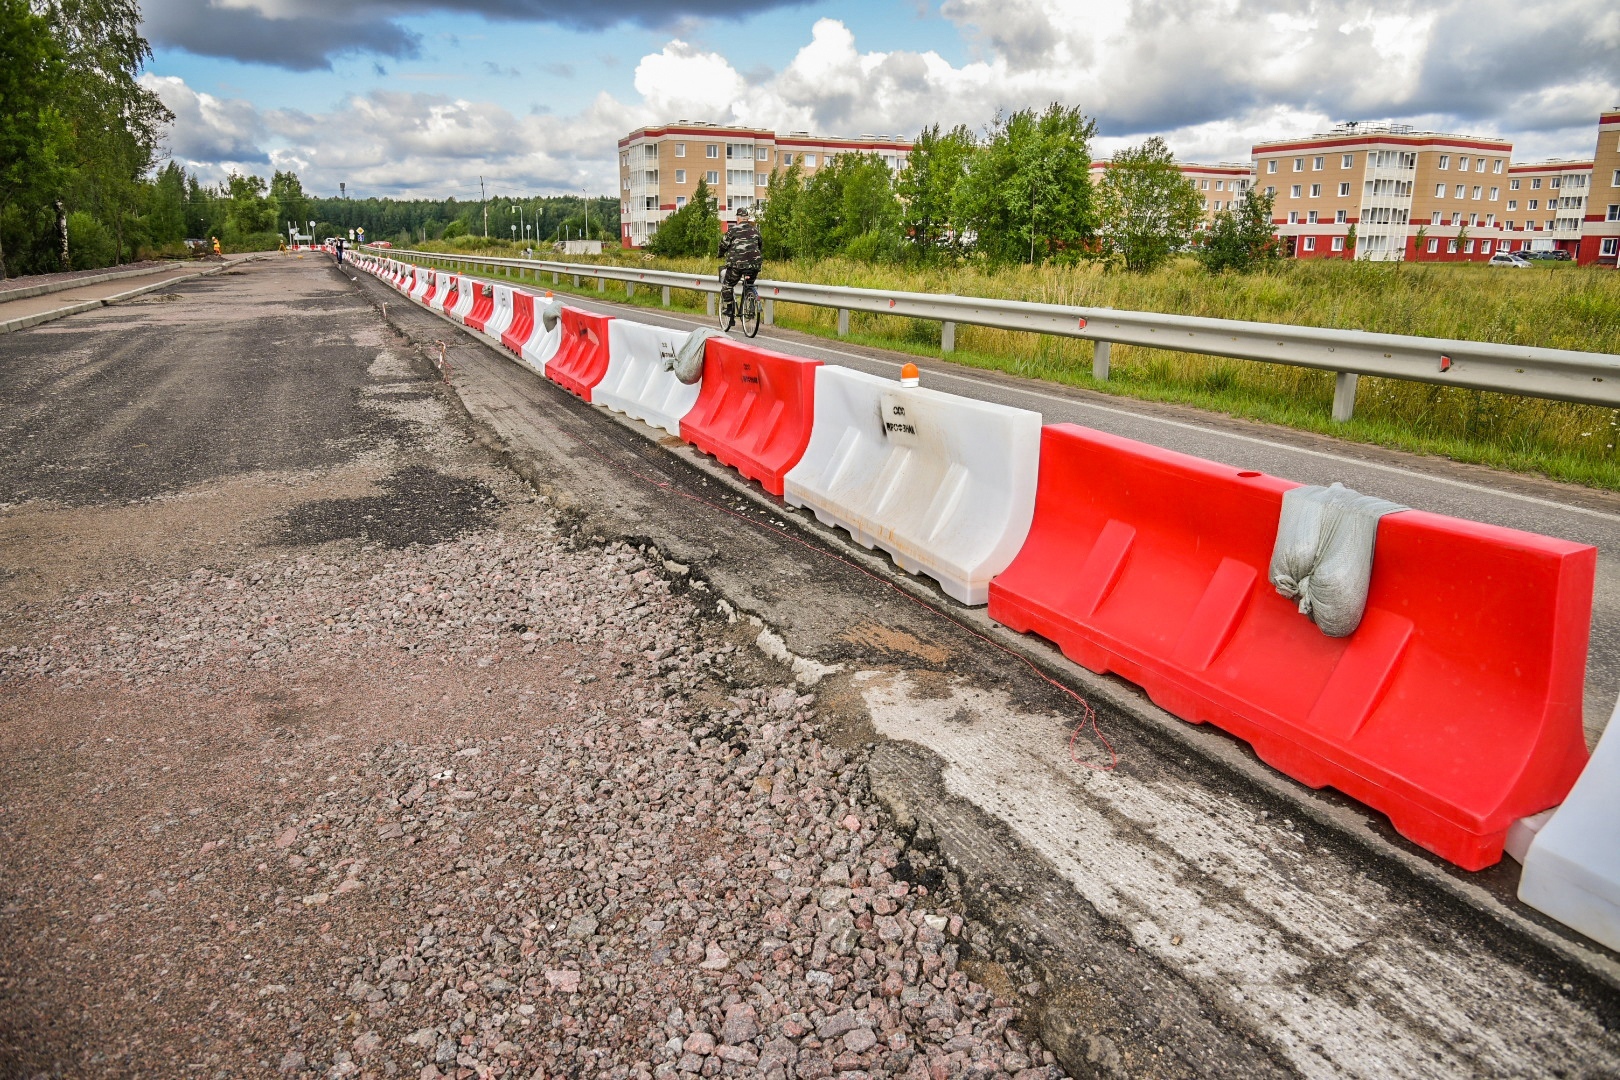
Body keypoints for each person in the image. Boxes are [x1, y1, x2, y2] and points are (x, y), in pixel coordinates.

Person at [718, 206, 762, 328]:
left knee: (727, 285)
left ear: (738, 218)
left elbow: (723, 244)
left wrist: (720, 254)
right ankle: (750, 304)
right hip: (754, 265)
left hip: (736, 265)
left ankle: (730, 312)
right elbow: (760, 245)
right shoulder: (755, 231)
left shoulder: (733, 230)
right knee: (749, 284)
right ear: (747, 219)